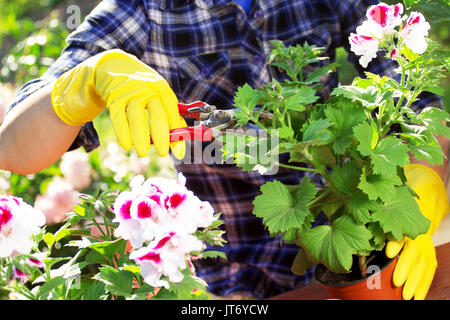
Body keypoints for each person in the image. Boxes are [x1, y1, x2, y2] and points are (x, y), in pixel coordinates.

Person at [0, 0, 447, 299]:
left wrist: (418, 183)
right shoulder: (140, 10)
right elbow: (14, 149)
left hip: (347, 251)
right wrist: (87, 81)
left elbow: (416, 97)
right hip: (221, 269)